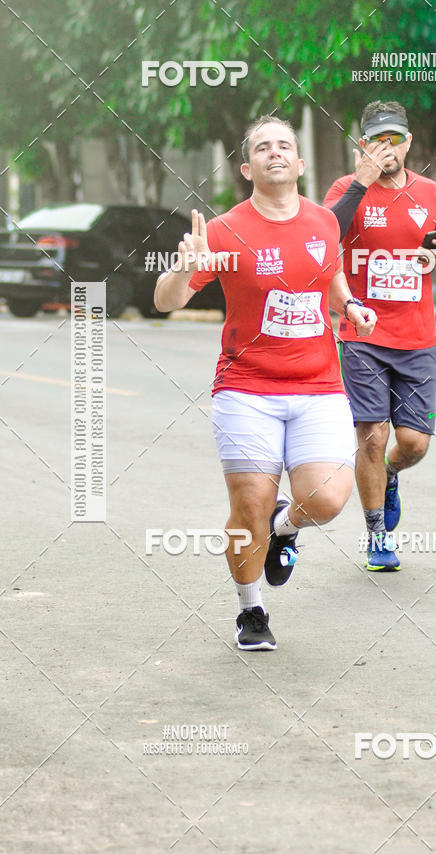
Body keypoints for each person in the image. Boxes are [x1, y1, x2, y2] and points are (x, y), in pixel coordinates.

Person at [154, 115, 376, 651]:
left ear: (299, 164)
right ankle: (251, 610)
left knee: (325, 501)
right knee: (249, 504)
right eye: (262, 147)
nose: (274, 153)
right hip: (246, 389)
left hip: (319, 386)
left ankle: (285, 529)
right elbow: (166, 300)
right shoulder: (226, 230)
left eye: (284, 145)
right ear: (247, 166)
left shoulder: (325, 221)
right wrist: (183, 269)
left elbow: (330, 274)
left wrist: (350, 305)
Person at [324, 100, 436, 572]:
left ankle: (390, 475)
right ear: (363, 145)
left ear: (409, 142)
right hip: (361, 333)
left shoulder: (430, 193)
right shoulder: (346, 190)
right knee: (371, 436)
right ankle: (376, 535)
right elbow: (325, 238)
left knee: (412, 443)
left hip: (418, 339)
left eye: (395, 139)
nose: (387, 148)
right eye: (376, 140)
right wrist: (361, 182)